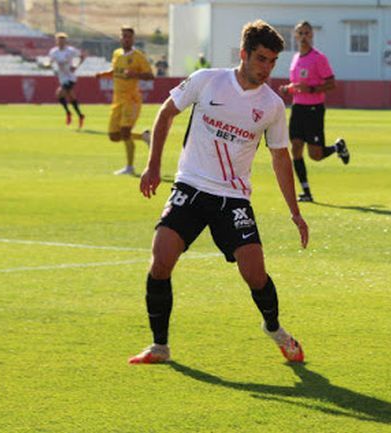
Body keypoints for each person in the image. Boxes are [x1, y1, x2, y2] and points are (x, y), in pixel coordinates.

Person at [128, 19, 308, 365]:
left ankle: (274, 329)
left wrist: (295, 211)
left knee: (255, 275)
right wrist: (153, 166)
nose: (267, 68)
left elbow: (280, 158)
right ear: (243, 54)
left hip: (233, 199)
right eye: (261, 59)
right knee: (161, 260)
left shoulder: (271, 106)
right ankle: (160, 347)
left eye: (272, 61)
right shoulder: (207, 80)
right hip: (191, 186)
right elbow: (166, 114)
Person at [278, 20, 349, 203]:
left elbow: (331, 83)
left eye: (307, 33)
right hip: (298, 108)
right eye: (300, 33)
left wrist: (311, 89)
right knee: (295, 149)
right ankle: (306, 192)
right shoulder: (295, 58)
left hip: (314, 110)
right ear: (295, 35)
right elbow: (298, 85)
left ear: (312, 35)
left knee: (315, 155)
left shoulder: (319, 58)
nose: (303, 36)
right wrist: (288, 89)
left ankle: (337, 147)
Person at [95, 26, 153, 176]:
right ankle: (143, 137)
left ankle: (130, 167)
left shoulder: (138, 56)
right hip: (117, 100)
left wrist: (135, 74)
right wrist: (103, 74)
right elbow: (115, 71)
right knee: (114, 136)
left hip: (131, 99)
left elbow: (150, 76)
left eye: (129, 36)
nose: (126, 39)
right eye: (123, 36)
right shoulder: (117, 54)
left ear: (133, 39)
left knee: (125, 132)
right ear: (120, 38)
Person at [48, 32, 86, 128]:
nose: (61, 42)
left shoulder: (71, 50)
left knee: (59, 93)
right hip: (62, 77)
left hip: (70, 77)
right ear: (56, 41)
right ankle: (80, 115)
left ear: (66, 41)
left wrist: (76, 66)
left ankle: (68, 113)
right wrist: (47, 65)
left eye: (63, 41)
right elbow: (50, 62)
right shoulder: (53, 52)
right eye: (59, 40)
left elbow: (82, 56)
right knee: (71, 97)